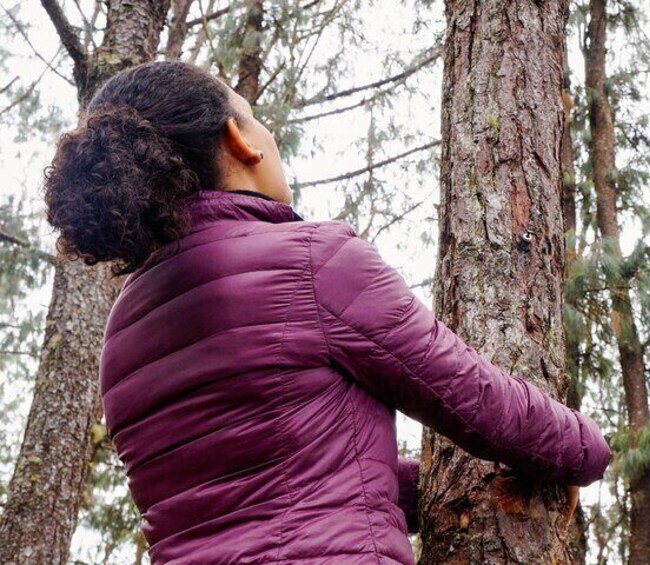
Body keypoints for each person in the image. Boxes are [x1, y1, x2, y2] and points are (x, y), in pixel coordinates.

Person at [42, 61, 613, 565]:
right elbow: (470, 393)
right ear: (240, 139)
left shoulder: (120, 336)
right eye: (253, 115)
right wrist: (583, 448)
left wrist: (432, 489)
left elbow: (249, 491)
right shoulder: (311, 260)